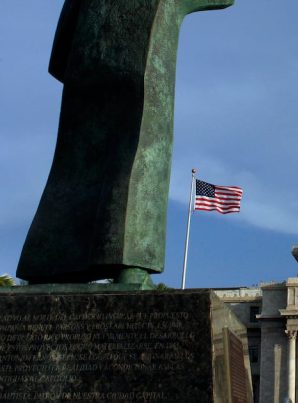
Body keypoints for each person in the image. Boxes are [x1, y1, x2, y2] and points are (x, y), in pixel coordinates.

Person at [17, 0, 234, 287]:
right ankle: (130, 262)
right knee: (139, 155)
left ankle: (49, 263)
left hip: (86, 74)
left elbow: (58, 59)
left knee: (73, 167)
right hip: (141, 74)